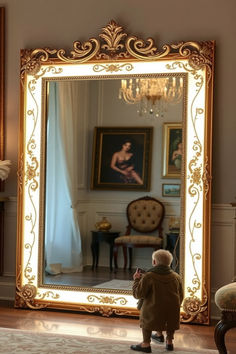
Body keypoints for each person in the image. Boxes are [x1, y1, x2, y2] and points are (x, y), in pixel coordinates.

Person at [130, 250, 183, 353]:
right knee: (168, 316)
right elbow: (181, 295)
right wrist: (176, 305)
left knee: (147, 315)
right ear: (170, 263)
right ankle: (168, 342)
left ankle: (145, 344)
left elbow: (138, 294)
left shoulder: (149, 276)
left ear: (154, 262)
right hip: (172, 310)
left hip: (153, 311)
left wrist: (136, 280)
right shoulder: (176, 277)